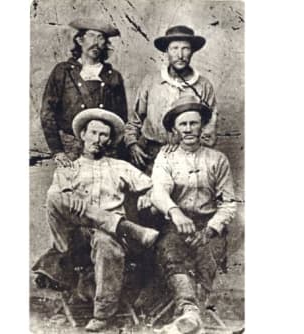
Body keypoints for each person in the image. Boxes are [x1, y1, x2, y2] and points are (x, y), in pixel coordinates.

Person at [33, 108, 159, 332]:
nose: (97, 139)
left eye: (103, 135)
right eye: (93, 133)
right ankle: (122, 226)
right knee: (55, 195)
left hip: (109, 238)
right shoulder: (68, 168)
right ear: (83, 135)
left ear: (109, 139)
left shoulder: (119, 166)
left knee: (105, 241)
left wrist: (148, 196)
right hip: (73, 236)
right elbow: (55, 203)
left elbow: (154, 187)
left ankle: (102, 315)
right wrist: (70, 195)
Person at [150, 95, 237, 334]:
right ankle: (190, 312)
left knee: (208, 257)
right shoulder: (166, 157)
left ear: (201, 125)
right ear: (175, 128)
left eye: (193, 123)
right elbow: (158, 191)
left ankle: (188, 320)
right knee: (171, 252)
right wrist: (175, 212)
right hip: (175, 224)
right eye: (183, 124)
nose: (188, 129)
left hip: (209, 225)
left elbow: (229, 203)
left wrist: (210, 230)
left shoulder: (217, 159)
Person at [125, 25, 218, 175]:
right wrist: (132, 144)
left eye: (185, 48)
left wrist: (185, 147)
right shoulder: (151, 81)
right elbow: (134, 121)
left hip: (190, 157)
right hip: (151, 156)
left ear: (192, 51)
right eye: (174, 48)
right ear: (166, 51)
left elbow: (209, 128)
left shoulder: (203, 86)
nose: (180, 55)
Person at [41, 18, 128, 166]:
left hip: (103, 149)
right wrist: (57, 151)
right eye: (92, 36)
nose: (96, 43)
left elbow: (120, 117)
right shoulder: (63, 71)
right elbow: (47, 113)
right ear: (80, 40)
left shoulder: (113, 76)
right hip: (70, 150)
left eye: (101, 38)